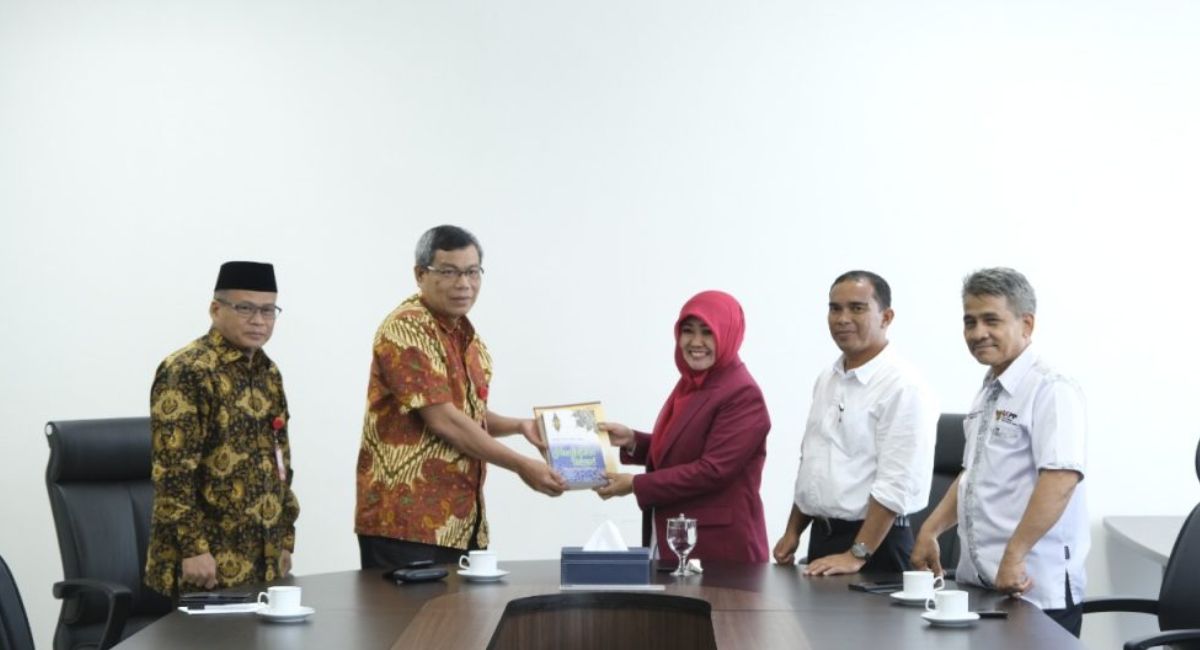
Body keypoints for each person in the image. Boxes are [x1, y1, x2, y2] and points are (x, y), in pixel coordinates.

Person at [354, 225, 567, 570]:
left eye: (472, 272)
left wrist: (519, 426)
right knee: (405, 610)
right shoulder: (407, 327)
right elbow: (444, 420)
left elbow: (466, 414)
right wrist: (521, 465)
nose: (463, 284)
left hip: (460, 522)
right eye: (449, 272)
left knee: (463, 609)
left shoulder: (466, 336)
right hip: (406, 523)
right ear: (420, 275)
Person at [911, 268, 1088, 636]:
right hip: (982, 586)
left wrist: (1014, 554)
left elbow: (1060, 479)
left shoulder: (1051, 388)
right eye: (970, 321)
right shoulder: (990, 389)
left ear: (1026, 324)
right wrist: (931, 529)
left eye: (991, 320)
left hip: (1033, 591)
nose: (978, 333)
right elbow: (973, 474)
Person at [146, 261, 299, 595]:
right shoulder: (188, 370)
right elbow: (172, 471)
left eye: (268, 310)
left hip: (263, 559)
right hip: (205, 565)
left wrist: (285, 538)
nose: (258, 321)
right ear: (216, 309)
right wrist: (193, 549)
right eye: (245, 308)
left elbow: (280, 462)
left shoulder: (268, 372)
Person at [773, 270, 938, 575]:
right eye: (835, 309)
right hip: (824, 539)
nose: (842, 318)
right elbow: (813, 462)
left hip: (876, 546)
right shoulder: (828, 377)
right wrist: (793, 531)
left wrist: (857, 554)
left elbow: (896, 483)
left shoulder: (903, 385)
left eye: (857, 308)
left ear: (886, 317)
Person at [595, 290, 771, 563]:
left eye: (708, 332)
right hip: (677, 539)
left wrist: (635, 485)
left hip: (719, 550)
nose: (696, 342)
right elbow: (684, 446)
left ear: (728, 333)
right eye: (688, 331)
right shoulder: (694, 382)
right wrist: (632, 441)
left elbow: (712, 470)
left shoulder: (741, 393)